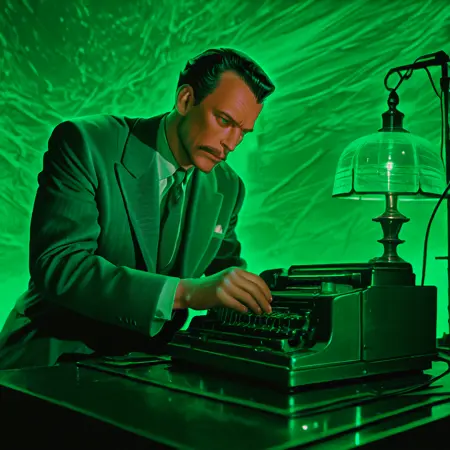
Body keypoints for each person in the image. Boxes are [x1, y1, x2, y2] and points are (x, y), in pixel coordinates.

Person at [0, 48, 276, 369]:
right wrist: (186, 293)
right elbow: (60, 265)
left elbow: (225, 273)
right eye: (224, 121)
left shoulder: (228, 186)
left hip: (148, 368)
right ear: (186, 100)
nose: (232, 143)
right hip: (48, 363)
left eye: (243, 132)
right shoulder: (86, 143)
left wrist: (274, 299)